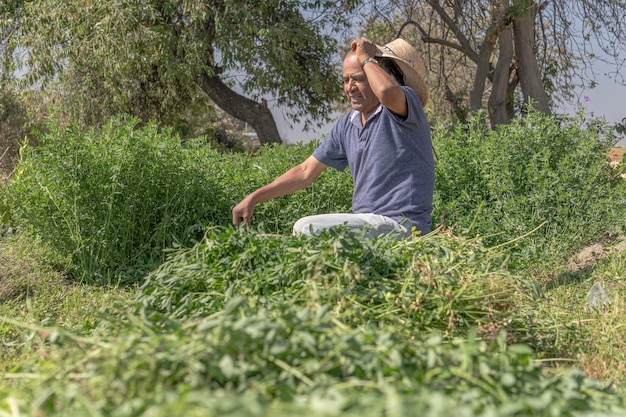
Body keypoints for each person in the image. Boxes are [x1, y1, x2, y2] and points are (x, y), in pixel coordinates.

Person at [232, 37, 434, 238]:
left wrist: (365, 56)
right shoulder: (348, 124)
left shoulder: (405, 106)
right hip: (367, 224)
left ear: (381, 75)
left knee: (307, 228)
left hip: (402, 225)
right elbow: (305, 172)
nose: (350, 87)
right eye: (346, 80)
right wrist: (254, 197)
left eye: (359, 78)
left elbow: (387, 91)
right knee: (309, 230)